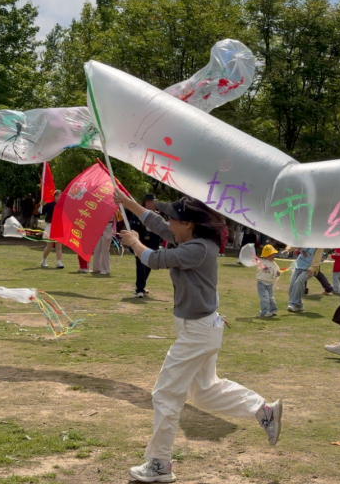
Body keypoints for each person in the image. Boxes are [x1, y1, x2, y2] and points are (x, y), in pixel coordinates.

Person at [114, 192, 282, 482]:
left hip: (197, 333)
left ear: (188, 224)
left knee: (165, 394)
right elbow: (155, 223)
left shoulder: (198, 248)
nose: (168, 223)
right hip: (200, 329)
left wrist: (134, 242)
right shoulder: (190, 238)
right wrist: (127, 202)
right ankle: (263, 410)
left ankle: (160, 463)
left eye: (173, 219)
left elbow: (156, 259)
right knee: (205, 391)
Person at [128, 194, 163, 297]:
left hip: (153, 243)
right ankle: (140, 288)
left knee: (149, 265)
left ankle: (141, 286)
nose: (152, 203)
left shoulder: (157, 215)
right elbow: (133, 227)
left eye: (153, 201)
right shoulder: (138, 213)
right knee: (141, 264)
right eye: (150, 201)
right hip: (141, 243)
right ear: (146, 202)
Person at [256, 245, 281, 317]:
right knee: (265, 298)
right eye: (272, 254)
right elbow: (259, 267)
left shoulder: (273, 263)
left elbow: (276, 271)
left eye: (274, 254)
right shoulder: (261, 262)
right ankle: (264, 312)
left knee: (271, 298)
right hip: (261, 283)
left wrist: (277, 273)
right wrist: (263, 267)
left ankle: (272, 310)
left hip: (270, 283)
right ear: (267, 255)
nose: (273, 256)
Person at [41, 191, 64, 269]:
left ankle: (59, 262)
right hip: (50, 226)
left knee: (59, 246)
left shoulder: (63, 206)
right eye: (57, 196)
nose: (59, 197)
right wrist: (41, 205)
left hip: (59, 226)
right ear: (54, 197)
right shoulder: (50, 204)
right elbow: (41, 212)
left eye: (60, 196)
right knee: (49, 246)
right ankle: (44, 260)